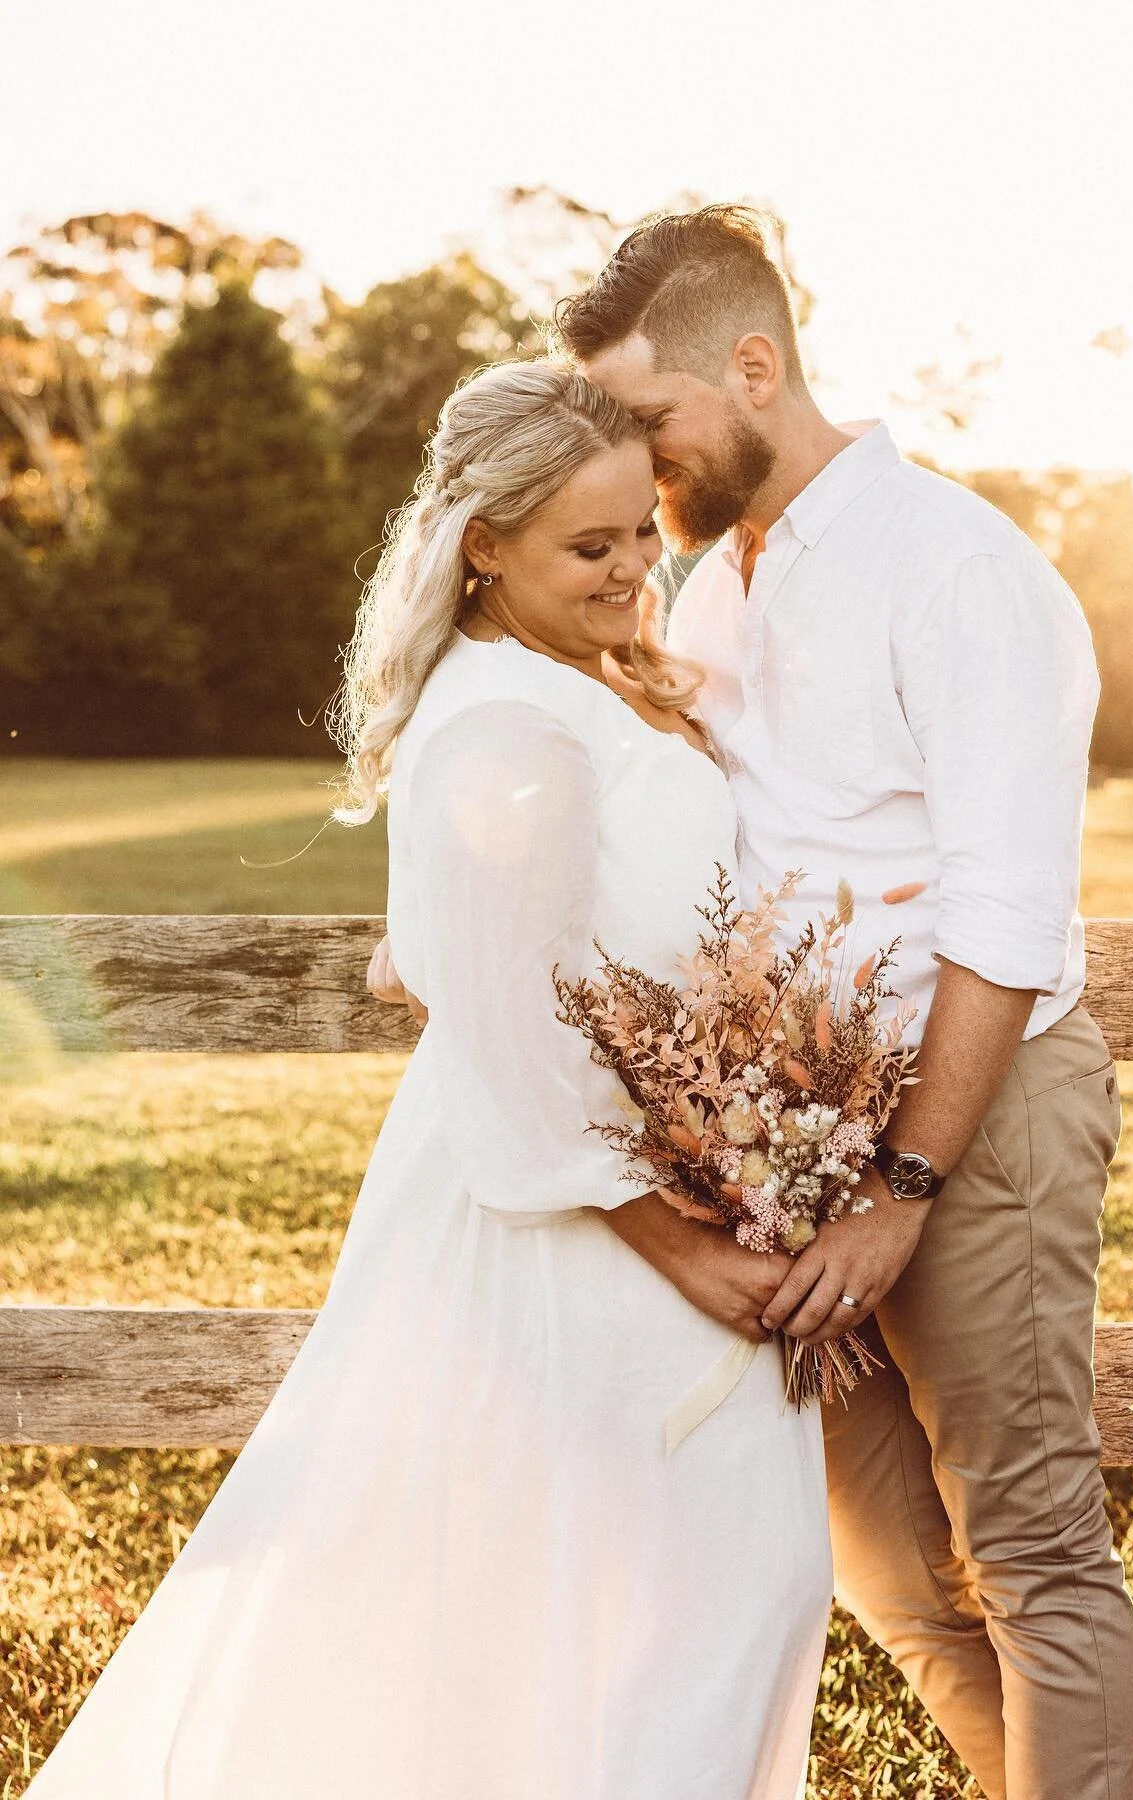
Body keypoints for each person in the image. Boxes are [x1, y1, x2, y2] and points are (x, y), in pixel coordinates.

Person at [25, 361, 831, 1800]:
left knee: (625, 1618)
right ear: (485, 543)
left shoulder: (560, 681)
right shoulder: (509, 722)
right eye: (593, 548)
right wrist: (689, 1249)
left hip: (641, 1177)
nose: (638, 569)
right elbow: (515, 1045)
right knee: (671, 1608)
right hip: (575, 1234)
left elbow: (513, 936)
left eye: (642, 531)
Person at [551, 205, 1133, 1800]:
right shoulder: (710, 588)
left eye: (654, 423)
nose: (637, 467)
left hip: (979, 1115)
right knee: (888, 1572)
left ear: (754, 368)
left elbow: (1006, 920)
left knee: (1025, 1545)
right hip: (796, 1144)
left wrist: (903, 1185)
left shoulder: (957, 570)